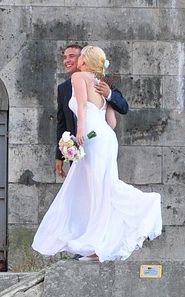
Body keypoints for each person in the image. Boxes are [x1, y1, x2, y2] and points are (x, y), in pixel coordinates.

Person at [34, 45, 161, 261]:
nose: (72, 60)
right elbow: (111, 123)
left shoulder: (81, 78)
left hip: (91, 138)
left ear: (84, 60)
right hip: (105, 138)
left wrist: (80, 132)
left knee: (100, 188)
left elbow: (82, 107)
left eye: (77, 56)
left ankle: (145, 204)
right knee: (98, 188)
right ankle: (97, 244)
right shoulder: (101, 82)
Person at [55, 43, 129, 178]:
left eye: (72, 56)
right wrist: (60, 155)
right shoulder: (63, 88)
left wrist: (109, 94)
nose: (67, 61)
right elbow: (62, 123)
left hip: (86, 139)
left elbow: (124, 107)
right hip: (93, 141)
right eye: (65, 57)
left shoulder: (104, 82)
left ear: (83, 59)